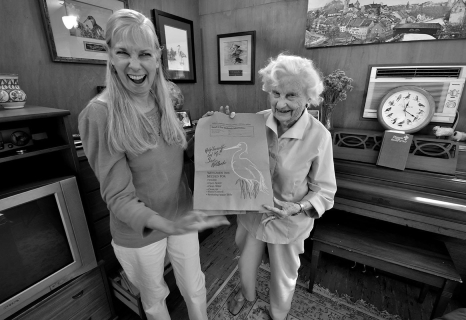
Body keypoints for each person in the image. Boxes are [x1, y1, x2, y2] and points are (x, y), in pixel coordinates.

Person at [78, 9, 228, 320]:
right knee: (155, 299)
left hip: (180, 214)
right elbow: (118, 197)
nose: (135, 64)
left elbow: (180, 153)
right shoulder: (99, 114)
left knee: (194, 286)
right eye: (123, 53)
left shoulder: (164, 97)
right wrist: (166, 224)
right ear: (109, 54)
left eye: (144, 53)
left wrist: (209, 131)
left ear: (157, 57)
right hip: (141, 232)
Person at [226, 53, 337, 319]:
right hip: (252, 213)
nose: (281, 103)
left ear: (308, 98)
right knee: (246, 261)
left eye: (291, 95)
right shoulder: (255, 122)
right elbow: (228, 159)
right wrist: (216, 126)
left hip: (288, 221)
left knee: (284, 276)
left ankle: (278, 314)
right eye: (275, 93)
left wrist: (298, 207)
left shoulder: (319, 135)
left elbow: (325, 190)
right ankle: (247, 293)